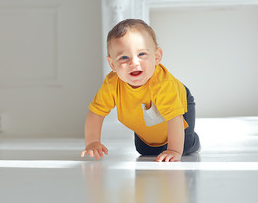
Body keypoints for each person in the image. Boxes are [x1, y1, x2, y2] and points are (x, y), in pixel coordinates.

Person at [81, 19, 200, 162]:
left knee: (183, 146)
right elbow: (96, 113)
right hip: (145, 118)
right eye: (124, 57)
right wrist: (92, 142)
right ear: (112, 64)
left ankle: (193, 140)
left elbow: (174, 118)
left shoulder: (163, 84)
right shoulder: (112, 84)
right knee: (145, 150)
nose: (133, 62)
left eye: (141, 54)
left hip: (180, 105)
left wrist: (173, 150)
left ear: (156, 57)